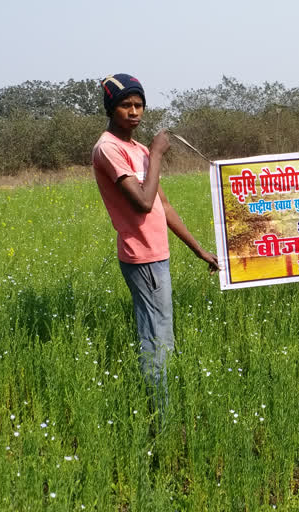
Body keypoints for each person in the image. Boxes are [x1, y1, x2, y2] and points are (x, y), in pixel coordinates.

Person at [92, 73, 220, 424]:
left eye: (139, 105)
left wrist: (198, 250)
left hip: (157, 256)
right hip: (142, 257)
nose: (134, 112)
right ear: (110, 108)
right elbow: (143, 203)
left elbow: (164, 206)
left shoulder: (139, 150)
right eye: (125, 105)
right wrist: (160, 154)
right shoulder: (110, 149)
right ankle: (161, 420)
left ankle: (166, 408)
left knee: (163, 333)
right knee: (155, 338)